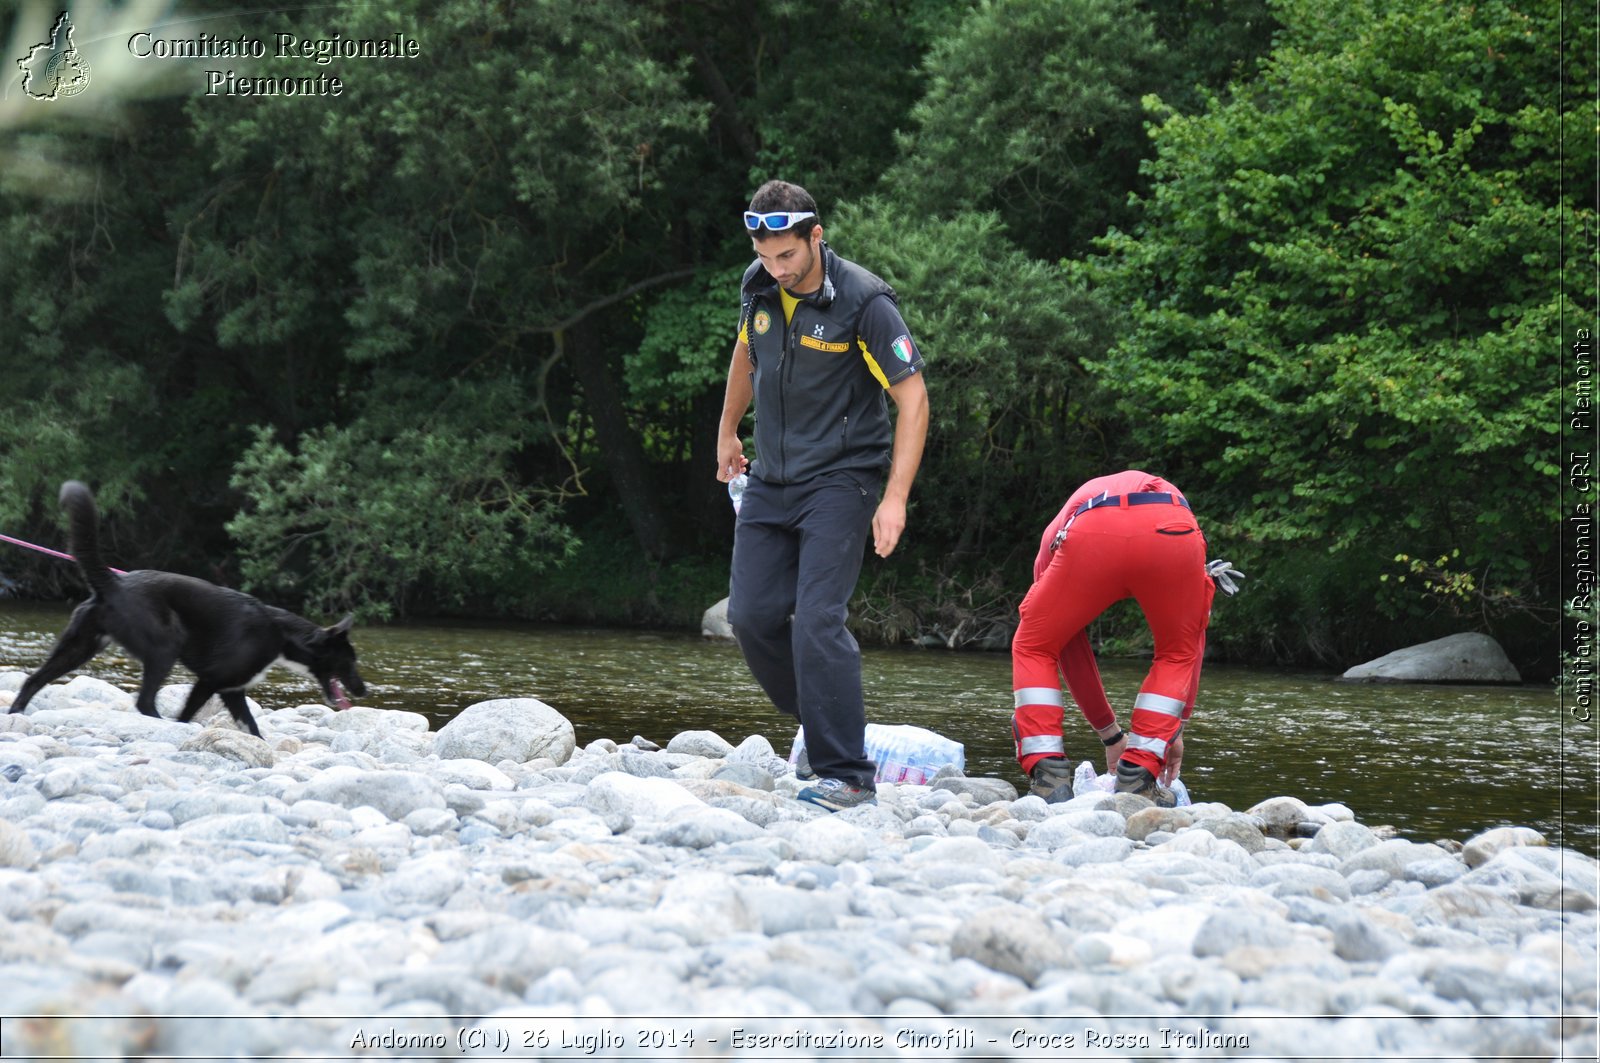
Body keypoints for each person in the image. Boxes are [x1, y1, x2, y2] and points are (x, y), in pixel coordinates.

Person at [715, 180, 930, 812]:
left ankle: (849, 773)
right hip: (772, 478)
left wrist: (895, 499)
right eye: (766, 255)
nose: (776, 269)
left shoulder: (864, 302)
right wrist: (727, 430)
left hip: (843, 478)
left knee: (816, 619)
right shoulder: (759, 284)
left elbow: (913, 399)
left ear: (815, 236)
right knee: (749, 616)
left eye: (788, 256)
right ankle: (819, 717)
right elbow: (745, 355)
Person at [1011, 470, 1235, 807]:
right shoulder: (1169, 494)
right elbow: (1192, 643)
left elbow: (1065, 648)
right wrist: (1175, 728)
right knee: (1177, 652)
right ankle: (1139, 776)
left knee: (1034, 645)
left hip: (1092, 528)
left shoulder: (1052, 536)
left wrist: (1110, 735)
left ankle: (1049, 778)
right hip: (1173, 527)